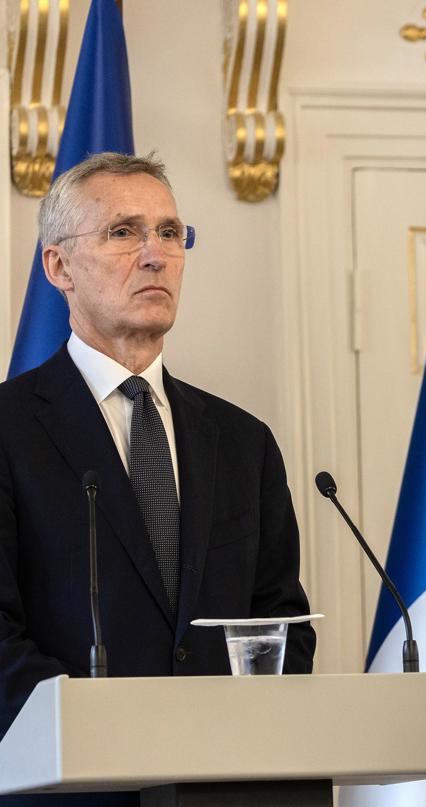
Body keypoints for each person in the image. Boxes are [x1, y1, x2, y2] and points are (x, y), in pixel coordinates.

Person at [0, 153, 315, 805]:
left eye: (170, 233)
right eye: (123, 232)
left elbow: (279, 622)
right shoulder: (9, 430)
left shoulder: (242, 442)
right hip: (69, 788)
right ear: (57, 266)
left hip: (225, 789)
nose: (155, 255)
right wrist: (111, 738)